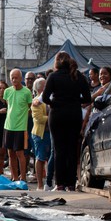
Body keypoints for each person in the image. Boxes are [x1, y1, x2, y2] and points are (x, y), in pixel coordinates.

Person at [42, 52, 91, 191]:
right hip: (74, 115)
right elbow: (87, 98)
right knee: (71, 149)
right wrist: (75, 101)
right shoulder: (79, 77)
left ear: (56, 62)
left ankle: (60, 183)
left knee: (59, 150)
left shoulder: (53, 76)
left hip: (57, 114)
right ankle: (71, 183)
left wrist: (54, 102)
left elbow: (45, 98)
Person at [0, 68, 32, 182]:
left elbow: (29, 107)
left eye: (16, 77)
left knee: (20, 153)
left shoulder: (27, 92)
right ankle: (14, 177)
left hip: (21, 127)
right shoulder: (8, 91)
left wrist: (22, 117)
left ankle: (22, 177)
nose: (14, 80)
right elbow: (9, 105)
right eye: (12, 78)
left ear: (21, 78)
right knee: (10, 153)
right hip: (8, 126)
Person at [30, 77, 51, 191]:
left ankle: (49, 182)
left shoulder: (50, 99)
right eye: (45, 85)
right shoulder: (36, 102)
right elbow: (38, 119)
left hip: (50, 133)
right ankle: (40, 185)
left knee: (50, 158)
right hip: (40, 134)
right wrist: (52, 117)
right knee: (40, 158)